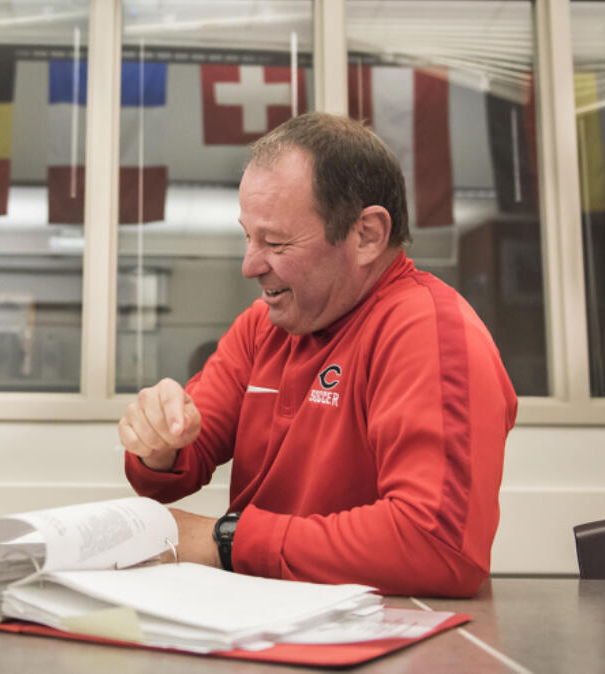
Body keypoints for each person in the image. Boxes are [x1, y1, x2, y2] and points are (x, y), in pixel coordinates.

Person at [118, 112, 518, 597]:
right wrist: (158, 444)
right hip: (263, 618)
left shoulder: (428, 332)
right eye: (248, 235)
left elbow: (436, 546)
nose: (249, 265)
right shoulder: (263, 327)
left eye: (276, 242)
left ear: (366, 235)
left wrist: (225, 541)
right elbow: (178, 466)